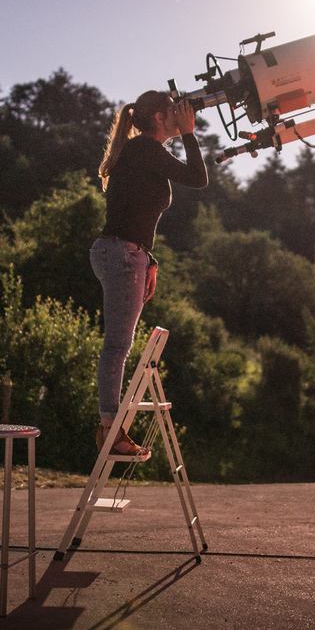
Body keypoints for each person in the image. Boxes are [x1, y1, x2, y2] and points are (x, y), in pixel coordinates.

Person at [92, 90, 208, 458]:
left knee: (119, 344)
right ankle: (111, 430)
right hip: (122, 254)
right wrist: (190, 133)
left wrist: (149, 258)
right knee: (117, 346)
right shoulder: (145, 149)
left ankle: (110, 428)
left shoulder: (143, 153)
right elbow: (197, 177)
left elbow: (133, 208)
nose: (180, 115)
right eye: (175, 111)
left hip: (127, 253)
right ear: (160, 117)